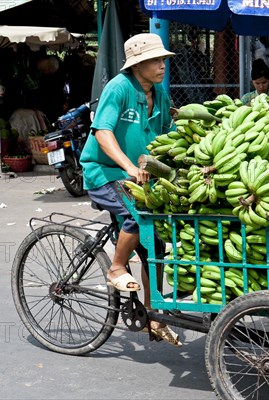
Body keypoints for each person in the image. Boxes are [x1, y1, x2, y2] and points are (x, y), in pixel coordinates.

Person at [79, 33, 181, 346]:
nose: (162, 65)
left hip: (140, 177)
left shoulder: (160, 95)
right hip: (104, 172)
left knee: (155, 245)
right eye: (156, 60)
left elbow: (169, 136)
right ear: (138, 65)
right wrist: (128, 167)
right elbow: (103, 133)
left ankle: (153, 316)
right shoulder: (119, 88)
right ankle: (117, 267)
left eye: (163, 59)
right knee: (137, 216)